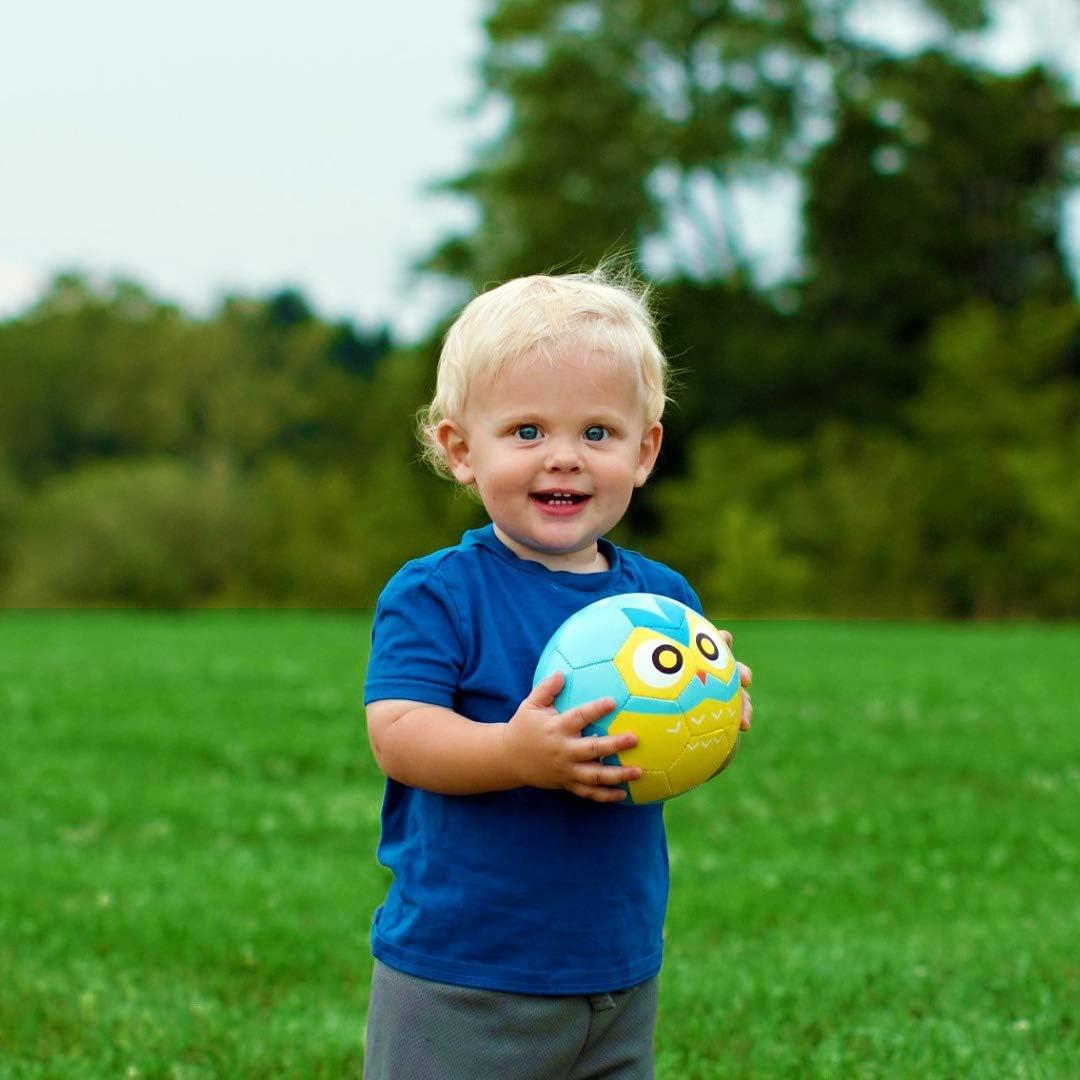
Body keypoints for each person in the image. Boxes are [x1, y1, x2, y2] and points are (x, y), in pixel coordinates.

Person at [362, 268, 752, 1079]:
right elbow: (398, 734)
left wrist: (712, 720)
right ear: (461, 450)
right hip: (466, 974)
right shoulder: (439, 594)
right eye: (528, 431)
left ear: (644, 452)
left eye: (598, 433)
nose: (565, 459)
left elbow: (665, 743)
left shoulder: (662, 603)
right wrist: (515, 754)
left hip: (616, 969)